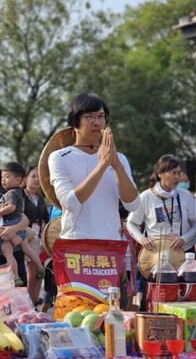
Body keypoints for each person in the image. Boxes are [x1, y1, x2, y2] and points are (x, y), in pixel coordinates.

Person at [48, 93, 141, 307]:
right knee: (78, 312)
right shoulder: (60, 157)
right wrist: (101, 165)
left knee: (111, 317)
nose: (97, 122)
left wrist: (115, 164)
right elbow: (70, 203)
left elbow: (133, 204)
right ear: (75, 121)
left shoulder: (120, 159)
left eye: (101, 116)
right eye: (89, 116)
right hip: (77, 249)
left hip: (110, 250)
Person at [126, 155, 196, 310]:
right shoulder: (146, 197)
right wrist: (141, 239)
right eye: (173, 173)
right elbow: (131, 223)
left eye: (178, 172)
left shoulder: (185, 196)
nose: (177, 177)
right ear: (160, 173)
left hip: (183, 256)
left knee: (183, 299)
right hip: (154, 258)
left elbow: (195, 226)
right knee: (152, 299)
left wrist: (184, 239)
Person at [0, 162, 44, 286]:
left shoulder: (11, 193)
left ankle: (16, 276)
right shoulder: (16, 192)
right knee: (28, 250)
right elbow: (6, 202)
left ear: (18, 180)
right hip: (20, 227)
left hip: (9, 225)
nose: (3, 180)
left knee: (8, 254)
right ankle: (40, 267)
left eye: (7, 177)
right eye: (2, 177)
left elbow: (10, 207)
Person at [22, 165, 49, 306]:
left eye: (39, 177)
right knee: (30, 274)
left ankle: (33, 304)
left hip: (38, 240)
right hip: (24, 239)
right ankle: (29, 306)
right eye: (33, 176)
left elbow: (46, 220)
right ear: (25, 178)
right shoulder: (20, 195)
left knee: (38, 275)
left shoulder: (40, 198)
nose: (36, 179)